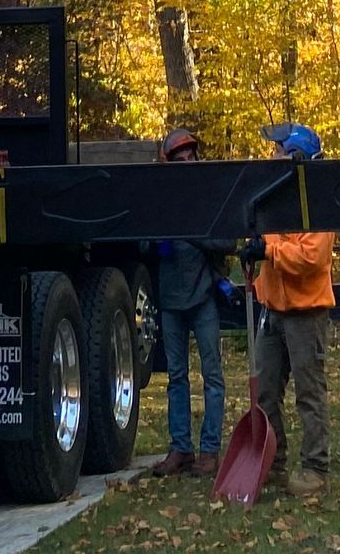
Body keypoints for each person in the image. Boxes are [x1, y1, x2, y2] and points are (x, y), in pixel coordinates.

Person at [250, 123, 334, 494]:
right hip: (273, 311)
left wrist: (267, 251)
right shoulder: (270, 199)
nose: (272, 157)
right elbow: (263, 242)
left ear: (295, 158)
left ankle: (315, 468)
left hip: (306, 312)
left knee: (309, 393)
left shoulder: (318, 203)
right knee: (266, 391)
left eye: (278, 151)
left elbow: (312, 258)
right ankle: (274, 462)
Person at [152, 126, 228, 477]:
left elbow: (227, 242)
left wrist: (193, 236)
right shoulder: (157, 201)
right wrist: (157, 242)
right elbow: (138, 242)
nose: (186, 163)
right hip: (169, 300)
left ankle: (209, 451)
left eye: (190, 157)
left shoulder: (209, 196)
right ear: (167, 163)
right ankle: (180, 448)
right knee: (176, 378)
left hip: (203, 299)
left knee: (212, 376)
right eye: (178, 158)